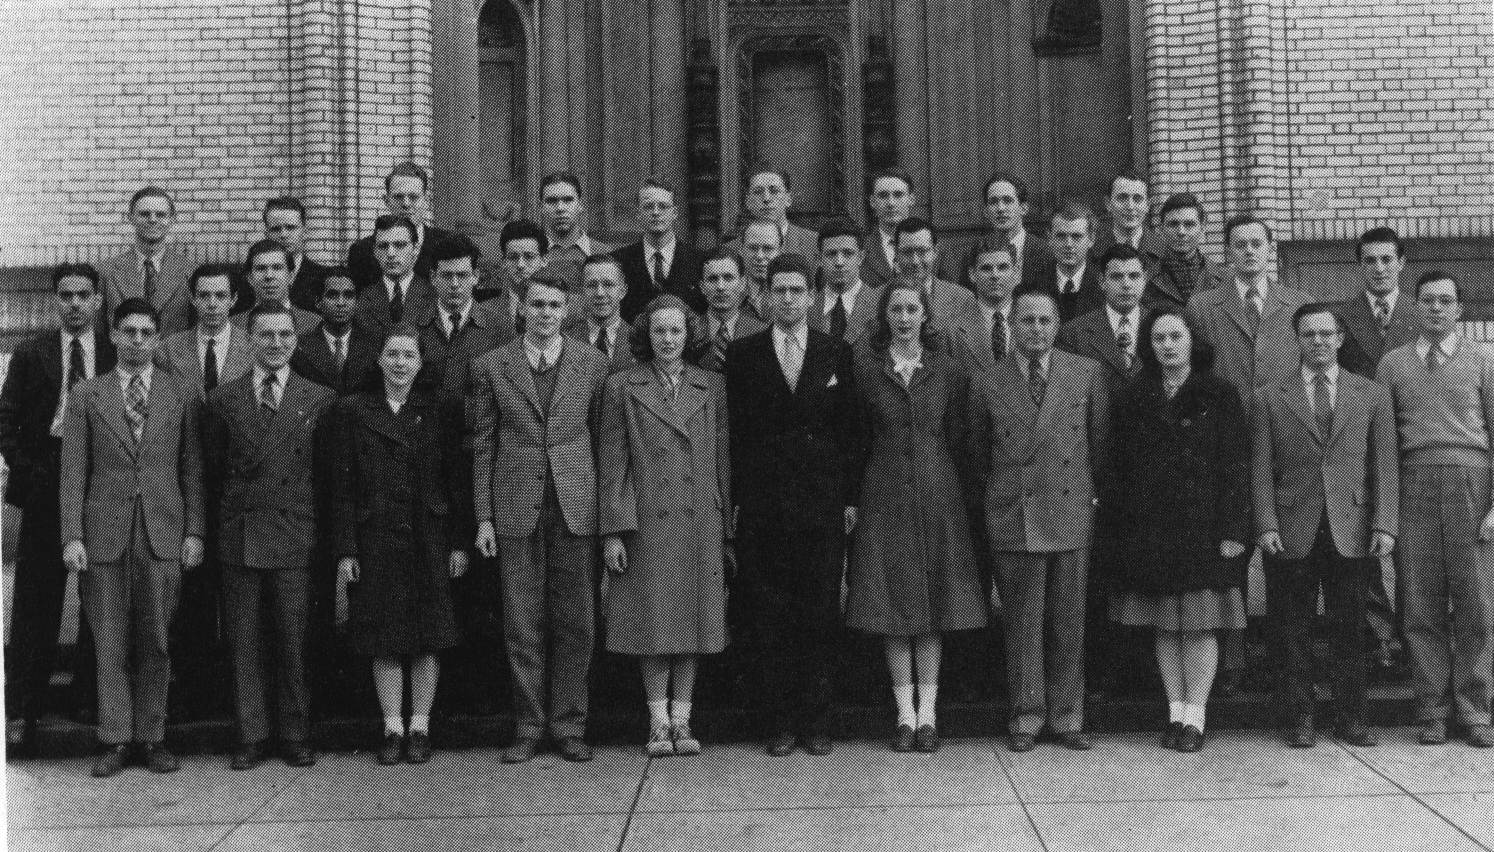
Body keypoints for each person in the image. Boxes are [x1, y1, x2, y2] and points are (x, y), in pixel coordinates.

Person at [60, 298, 205, 777]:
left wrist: (194, 531)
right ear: (114, 336)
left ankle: (153, 735)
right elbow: (74, 470)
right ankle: (116, 737)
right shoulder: (87, 394)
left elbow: (192, 470)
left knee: (157, 639)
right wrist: (72, 535)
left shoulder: (178, 392)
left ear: (158, 338)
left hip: (163, 532)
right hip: (104, 534)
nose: (138, 340)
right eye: (129, 331)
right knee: (109, 641)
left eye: (147, 332)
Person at [471, 274, 610, 764]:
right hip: (516, 507)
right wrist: (484, 517)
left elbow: (602, 442)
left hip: (576, 507)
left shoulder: (593, 363)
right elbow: (484, 444)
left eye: (555, 305)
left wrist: (607, 517)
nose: (546, 313)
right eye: (537, 305)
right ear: (522, 309)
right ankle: (529, 726)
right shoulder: (491, 366)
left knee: (577, 622)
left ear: (568, 310)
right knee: (522, 622)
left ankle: (570, 725)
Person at [846, 280, 986, 753]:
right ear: (884, 316)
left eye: (913, 309)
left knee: (932, 605)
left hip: (937, 489)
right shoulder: (866, 368)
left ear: (926, 316)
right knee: (892, 603)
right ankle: (903, 714)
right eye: (896, 310)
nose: (905, 317)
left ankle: (928, 714)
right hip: (883, 492)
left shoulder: (946, 367)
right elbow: (858, 434)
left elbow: (964, 430)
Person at [727, 253, 856, 757]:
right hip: (763, 505)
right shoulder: (743, 354)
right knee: (769, 613)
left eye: (797, 291)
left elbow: (848, 431)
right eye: (778, 291)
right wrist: (736, 503)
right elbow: (734, 435)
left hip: (821, 505)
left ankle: (817, 720)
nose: (787, 299)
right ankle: (778, 721)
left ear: (811, 295)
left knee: (819, 612)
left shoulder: (835, 352)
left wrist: (848, 498)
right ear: (764, 297)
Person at [970, 286, 1109, 752]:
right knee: (1022, 622)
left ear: (1056, 325)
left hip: (1070, 511)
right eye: (1026, 321)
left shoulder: (1085, 374)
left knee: (1068, 620)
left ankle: (1069, 715)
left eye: (1044, 321)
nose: (1035, 330)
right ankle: (1027, 715)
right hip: (1015, 513)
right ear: (1011, 325)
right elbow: (977, 449)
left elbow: (1099, 446)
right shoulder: (987, 379)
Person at [1253, 303, 1397, 749]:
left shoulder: (1369, 393)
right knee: (1290, 627)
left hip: (1350, 525)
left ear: (1339, 339)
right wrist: (1265, 522)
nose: (1317, 341)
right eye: (1308, 334)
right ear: (1296, 341)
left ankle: (1351, 716)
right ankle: (1299, 718)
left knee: (1349, 626)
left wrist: (1385, 523)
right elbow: (1260, 467)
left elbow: (1384, 464)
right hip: (1291, 526)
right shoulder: (1269, 395)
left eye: (1326, 334)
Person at [1110, 306, 1249, 752]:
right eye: (1159, 339)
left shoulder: (1220, 394)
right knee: (1166, 626)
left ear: (1193, 341)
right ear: (1148, 346)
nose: (1168, 346)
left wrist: (1233, 531)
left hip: (1205, 529)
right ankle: (1174, 713)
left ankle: (1196, 718)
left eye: (1176, 337)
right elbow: (1120, 468)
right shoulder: (1135, 396)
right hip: (1152, 530)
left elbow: (1236, 465)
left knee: (1200, 625)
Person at [599, 294, 732, 756]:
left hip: (699, 517)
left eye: (677, 330)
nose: (668, 339)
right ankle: (657, 722)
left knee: (692, 620)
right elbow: (613, 462)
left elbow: (722, 459)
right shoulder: (622, 386)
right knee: (654, 621)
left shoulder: (710, 385)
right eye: (659, 331)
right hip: (648, 521)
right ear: (645, 336)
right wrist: (613, 529)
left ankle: (683, 719)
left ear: (689, 335)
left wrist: (726, 524)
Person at [331, 325, 470, 764]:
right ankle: (392, 727)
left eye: (409, 356)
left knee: (428, 635)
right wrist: (347, 549)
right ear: (378, 360)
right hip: (376, 537)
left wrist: (459, 543)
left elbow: (457, 478)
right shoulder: (354, 410)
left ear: (421, 362)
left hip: (429, 535)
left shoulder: (442, 408)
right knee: (384, 637)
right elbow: (343, 486)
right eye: (392, 354)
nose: (400, 363)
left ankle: (420, 727)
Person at [204, 304, 336, 770]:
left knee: (293, 639)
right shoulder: (223, 399)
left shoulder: (318, 398)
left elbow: (326, 477)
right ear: (250, 339)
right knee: (244, 639)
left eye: (285, 335)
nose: (276, 343)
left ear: (296, 340)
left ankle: (296, 733)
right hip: (240, 534)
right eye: (266, 335)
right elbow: (213, 474)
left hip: (295, 533)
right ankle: (252, 735)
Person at [1186, 213, 1311, 695]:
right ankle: (1231, 664)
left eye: (1256, 245)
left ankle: (1285, 660)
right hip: (1227, 446)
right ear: (1228, 252)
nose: (1249, 253)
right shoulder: (1203, 307)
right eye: (1239, 246)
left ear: (1270, 249)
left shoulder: (1297, 304)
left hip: (1284, 443)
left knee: (1286, 556)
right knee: (1229, 555)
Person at [1378, 271, 1494, 748]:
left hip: (1472, 482)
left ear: (1460, 310)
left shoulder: (1482, 361)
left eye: (1446, 302)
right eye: (1427, 302)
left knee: (1477, 605)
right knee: (1419, 602)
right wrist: (1388, 514)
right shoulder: (1392, 365)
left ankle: (1477, 710)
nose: (1436, 310)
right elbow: (1384, 445)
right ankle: (1432, 709)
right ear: (1415, 308)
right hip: (1414, 484)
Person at [0, 263, 112, 753]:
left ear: (98, 300)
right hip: (46, 478)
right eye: (65, 295)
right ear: (55, 300)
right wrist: (28, 470)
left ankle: (89, 700)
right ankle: (24, 707)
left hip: (103, 482)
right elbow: (5, 420)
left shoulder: (116, 349)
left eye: (83, 295)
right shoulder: (31, 353)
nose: (74, 304)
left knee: (100, 595)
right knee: (37, 599)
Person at [154, 262, 253, 721]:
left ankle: (236, 696)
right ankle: (192, 693)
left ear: (234, 300)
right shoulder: (169, 350)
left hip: (239, 483)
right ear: (192, 300)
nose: (212, 305)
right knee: (192, 591)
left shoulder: (255, 347)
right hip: (183, 481)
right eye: (204, 296)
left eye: (221, 296)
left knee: (237, 592)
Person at [1055, 243, 1148, 699]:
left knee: (1147, 571)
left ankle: (1147, 674)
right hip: (1095, 469)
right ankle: (1102, 675)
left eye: (1133, 276)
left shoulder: (1164, 328)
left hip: (1150, 474)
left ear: (1144, 281)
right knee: (1097, 577)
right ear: (1101, 281)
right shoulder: (1076, 333)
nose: (1125, 285)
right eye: (1116, 277)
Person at [1336, 226, 1419, 678]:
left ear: (1401, 262)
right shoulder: (1343, 316)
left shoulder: (1420, 311)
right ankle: (1378, 639)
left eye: (1387, 259)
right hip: (1361, 449)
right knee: (1366, 546)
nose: (1380, 268)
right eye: (1370, 260)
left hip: (1413, 447)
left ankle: (1413, 640)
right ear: (1360, 266)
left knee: (1412, 552)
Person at [894, 217, 990, 372]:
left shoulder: (962, 299)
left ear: (935, 252)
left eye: (923, 251)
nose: (915, 261)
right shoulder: (878, 298)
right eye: (907, 252)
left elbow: (979, 366)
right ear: (896, 253)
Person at [100, 187, 195, 336]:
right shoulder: (106, 271)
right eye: (144, 214)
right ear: (130, 217)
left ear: (172, 219)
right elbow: (99, 333)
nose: (152, 219)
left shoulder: (190, 271)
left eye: (161, 214)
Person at [345, 162, 454, 291]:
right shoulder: (362, 251)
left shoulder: (448, 245)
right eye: (398, 197)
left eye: (413, 197)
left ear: (427, 201)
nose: (406, 204)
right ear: (386, 201)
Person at [613, 179, 706, 321]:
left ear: (675, 213)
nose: (656, 212)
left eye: (663, 206)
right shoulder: (618, 261)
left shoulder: (699, 260)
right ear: (638, 214)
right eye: (648, 206)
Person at [944, 171, 1051, 291]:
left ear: (1023, 208)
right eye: (994, 202)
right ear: (986, 212)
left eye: (1007, 200)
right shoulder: (972, 255)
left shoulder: (1046, 253)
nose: (1000, 208)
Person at [290, 269, 380, 395]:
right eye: (332, 295)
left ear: (356, 302)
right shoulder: (301, 347)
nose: (341, 303)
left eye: (348, 295)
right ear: (318, 302)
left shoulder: (374, 345)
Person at [356, 215, 439, 333]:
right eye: (383, 246)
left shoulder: (435, 296)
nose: (390, 253)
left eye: (399, 245)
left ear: (416, 249)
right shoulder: (363, 300)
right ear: (375, 251)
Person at [692, 249, 767, 373]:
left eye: (728, 278)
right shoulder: (689, 332)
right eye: (712, 279)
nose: (720, 287)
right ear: (702, 287)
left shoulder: (762, 334)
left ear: (742, 283)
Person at [810, 218, 881, 347]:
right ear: (819, 259)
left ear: (860, 257)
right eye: (831, 254)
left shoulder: (880, 306)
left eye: (848, 253)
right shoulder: (808, 308)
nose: (839, 262)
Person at [538, 171, 614, 291]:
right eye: (552, 201)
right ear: (541, 207)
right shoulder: (530, 257)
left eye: (568, 200)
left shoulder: (606, 255)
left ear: (580, 205)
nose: (560, 208)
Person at [1147, 193, 1224, 310]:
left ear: (1202, 229)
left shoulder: (1224, 280)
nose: (1181, 232)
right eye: (1173, 224)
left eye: (1189, 224)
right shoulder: (1146, 280)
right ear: (1161, 229)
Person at [725, 165, 819, 261]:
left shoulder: (815, 244)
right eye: (758, 192)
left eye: (774, 191)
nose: (766, 198)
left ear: (788, 199)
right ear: (748, 202)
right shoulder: (729, 252)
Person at [565, 254, 637, 374]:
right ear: (582, 292)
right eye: (592, 285)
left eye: (608, 284)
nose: (600, 293)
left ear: (622, 291)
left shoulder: (639, 341)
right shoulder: (566, 341)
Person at [1036, 202, 1104, 324]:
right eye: (1061, 236)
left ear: (1091, 239)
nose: (1068, 244)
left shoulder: (1104, 284)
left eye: (1076, 236)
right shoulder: (1036, 284)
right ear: (1050, 238)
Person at [230, 240, 320, 332]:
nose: (269, 276)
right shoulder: (233, 325)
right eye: (261, 268)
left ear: (291, 276)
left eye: (277, 268)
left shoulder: (315, 324)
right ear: (249, 278)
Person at [264, 196, 330, 312]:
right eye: (275, 229)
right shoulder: (251, 280)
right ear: (266, 235)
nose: (283, 234)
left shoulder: (324, 278)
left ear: (304, 232)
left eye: (291, 227)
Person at [1092, 172, 1164, 270]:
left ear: (1147, 205)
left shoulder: (1164, 251)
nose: (1130, 206)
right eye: (1122, 198)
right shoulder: (1092, 252)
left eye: (1137, 199)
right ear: (1108, 204)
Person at [491, 219, 551, 334]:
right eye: (513, 257)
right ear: (503, 262)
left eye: (529, 257)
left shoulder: (562, 309)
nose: (520, 265)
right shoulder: (487, 310)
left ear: (544, 260)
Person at [863, 168, 917, 289]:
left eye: (898, 195)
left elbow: (947, 296)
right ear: (872, 202)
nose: (891, 203)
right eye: (883, 196)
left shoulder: (936, 249)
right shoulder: (860, 249)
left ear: (911, 199)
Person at [970, 240, 1018, 363]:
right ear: (972, 274)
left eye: (1003, 267)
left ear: (1016, 273)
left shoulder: (1035, 321)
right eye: (986, 268)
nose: (995, 275)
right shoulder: (952, 330)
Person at [737, 219, 783, 323]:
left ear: (780, 253)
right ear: (742, 251)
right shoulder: (730, 294)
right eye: (753, 248)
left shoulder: (794, 295)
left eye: (767, 248)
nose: (760, 256)